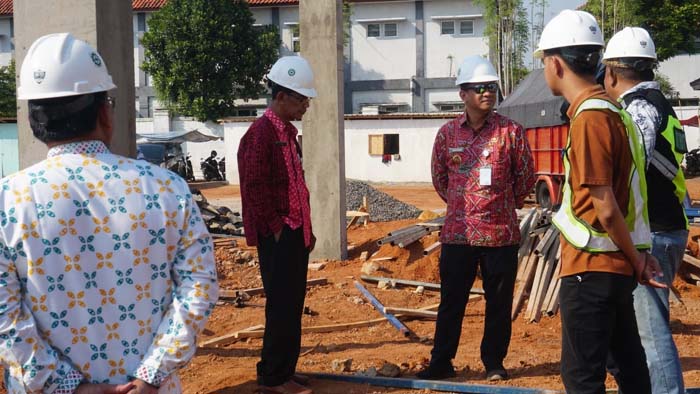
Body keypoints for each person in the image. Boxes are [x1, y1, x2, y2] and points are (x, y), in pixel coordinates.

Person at [0, 33, 218, 393]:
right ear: (104, 111)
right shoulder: (167, 189)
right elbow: (200, 287)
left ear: (32, 119)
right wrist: (152, 374)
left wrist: (68, 385)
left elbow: (4, 317)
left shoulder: (8, 199)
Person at [535, 10, 666, 393]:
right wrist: (636, 254)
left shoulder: (590, 118)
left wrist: (637, 257)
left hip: (589, 271)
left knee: (582, 378)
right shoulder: (613, 112)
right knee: (629, 369)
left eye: (545, 62)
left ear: (556, 64)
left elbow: (606, 204)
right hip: (613, 268)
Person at [418, 55, 535, 382]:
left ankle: (494, 363)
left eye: (492, 87)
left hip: (501, 237)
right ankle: (441, 362)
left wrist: (500, 204)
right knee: (450, 303)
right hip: (458, 235)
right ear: (463, 94)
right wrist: (461, 204)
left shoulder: (510, 132)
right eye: (480, 87)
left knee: (498, 304)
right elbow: (439, 177)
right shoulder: (447, 135)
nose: (488, 92)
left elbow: (526, 176)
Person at [602, 27, 688, 394]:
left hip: (651, 232)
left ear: (611, 73)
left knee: (651, 335)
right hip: (668, 226)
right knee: (631, 332)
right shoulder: (661, 103)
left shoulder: (638, 109)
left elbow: (631, 169)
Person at [237, 56, 317, 394]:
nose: (306, 106)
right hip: (279, 236)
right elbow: (254, 186)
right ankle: (272, 377)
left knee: (292, 305)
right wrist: (276, 228)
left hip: (295, 233)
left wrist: (305, 230)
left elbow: (294, 185)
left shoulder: (286, 133)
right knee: (281, 307)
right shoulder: (261, 134)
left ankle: (286, 370)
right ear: (282, 96)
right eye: (301, 99)